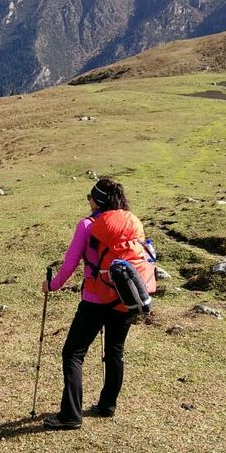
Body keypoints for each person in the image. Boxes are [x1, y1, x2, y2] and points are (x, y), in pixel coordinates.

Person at [40, 178, 146, 430]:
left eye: (89, 196)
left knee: (73, 353)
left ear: (96, 199)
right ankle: (107, 405)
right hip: (125, 298)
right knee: (115, 351)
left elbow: (70, 264)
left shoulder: (87, 225)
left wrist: (52, 285)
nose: (87, 200)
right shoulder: (130, 222)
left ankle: (70, 415)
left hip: (95, 299)